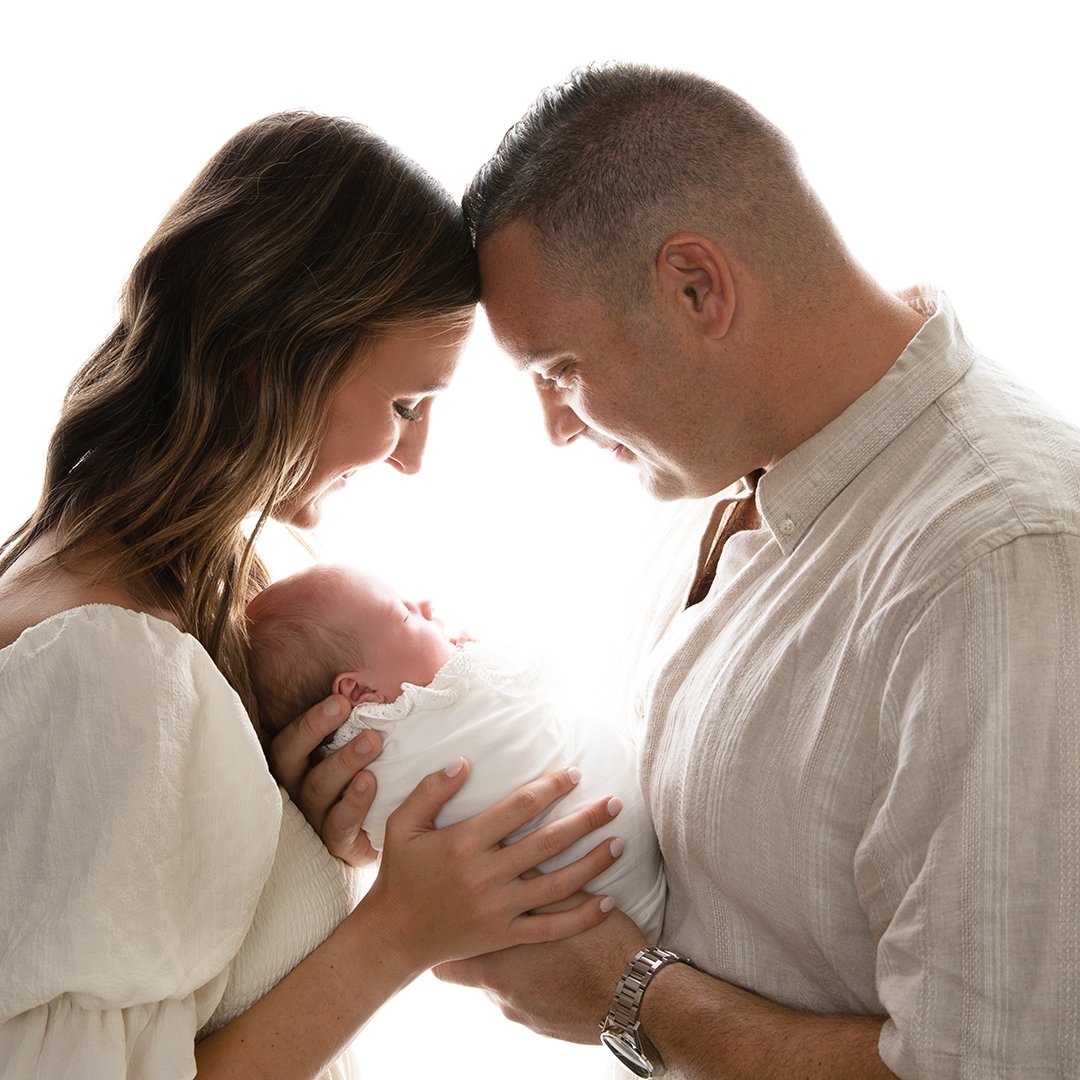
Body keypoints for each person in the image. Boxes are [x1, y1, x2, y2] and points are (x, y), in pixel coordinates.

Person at [431, 63, 1080, 1078]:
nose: (557, 428)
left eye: (561, 371)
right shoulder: (729, 476)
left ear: (698, 287)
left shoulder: (1001, 567)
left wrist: (624, 995)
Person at [0, 112, 625, 1080]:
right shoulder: (110, 667)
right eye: (407, 405)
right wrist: (396, 935)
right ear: (266, 363)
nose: (413, 458)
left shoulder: (203, 595)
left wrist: (327, 838)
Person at [246, 563, 666, 941]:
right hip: (624, 863)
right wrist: (475, 661)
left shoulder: (355, 785)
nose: (425, 605)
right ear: (358, 691)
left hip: (588, 922)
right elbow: (535, 672)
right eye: (402, 613)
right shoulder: (441, 706)